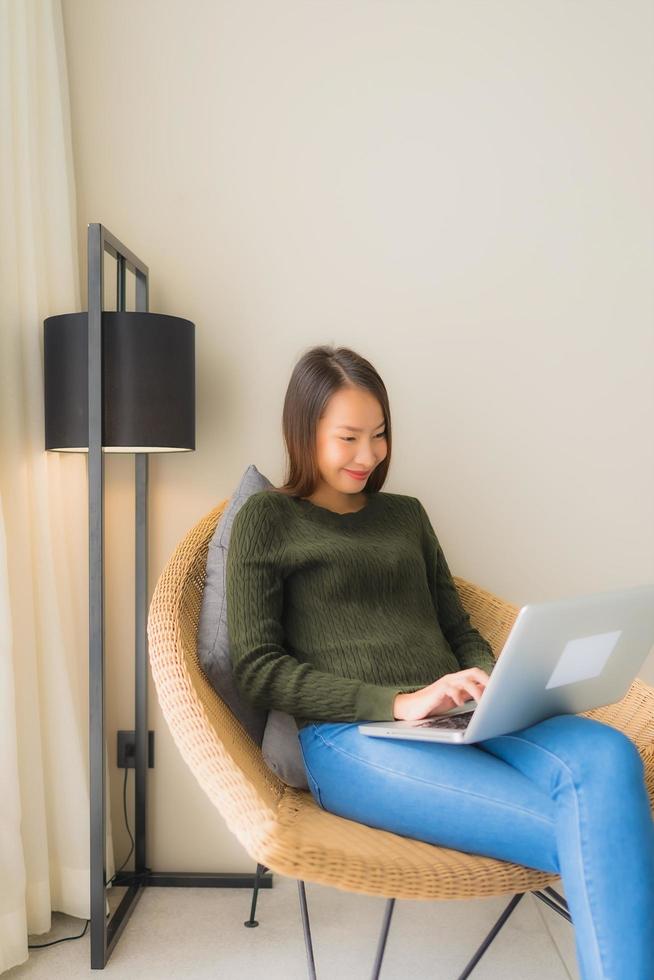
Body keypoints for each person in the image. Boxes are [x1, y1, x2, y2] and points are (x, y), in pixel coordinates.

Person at [226, 344, 654, 980]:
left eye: (379, 435)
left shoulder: (406, 516)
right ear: (303, 430)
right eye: (348, 437)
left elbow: (459, 627)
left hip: (466, 714)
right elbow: (257, 668)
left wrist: (487, 681)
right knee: (599, 828)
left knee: (610, 756)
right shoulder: (269, 520)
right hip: (355, 741)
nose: (368, 456)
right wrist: (398, 704)